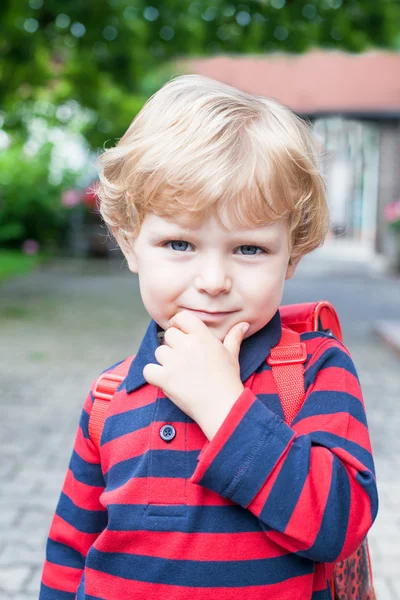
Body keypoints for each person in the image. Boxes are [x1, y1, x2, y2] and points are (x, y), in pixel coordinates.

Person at [39, 75, 378, 600]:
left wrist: (224, 407)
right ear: (131, 245)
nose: (214, 280)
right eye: (179, 243)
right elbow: (69, 550)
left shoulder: (314, 372)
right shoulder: (109, 397)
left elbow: (338, 524)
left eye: (248, 249)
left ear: (293, 255)